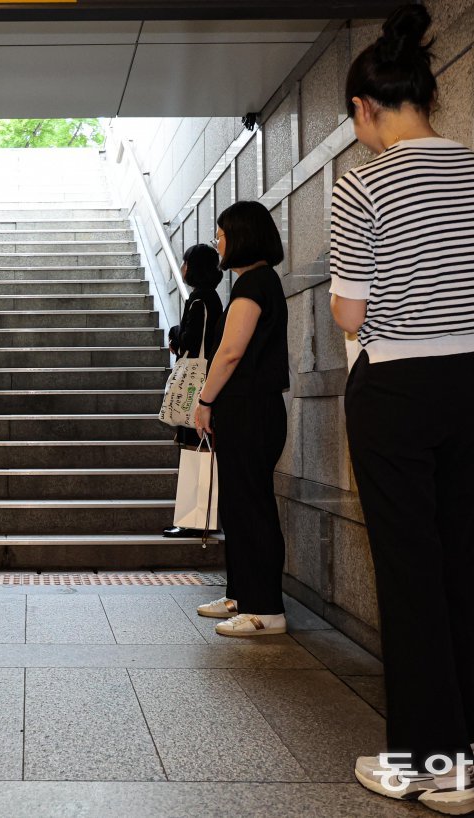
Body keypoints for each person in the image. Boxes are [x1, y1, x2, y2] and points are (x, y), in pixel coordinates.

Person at [329, 6, 474, 814]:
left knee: (406, 570)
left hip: (397, 388)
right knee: (454, 561)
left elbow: (348, 312)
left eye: (355, 119)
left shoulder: (362, 183)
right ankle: (461, 746)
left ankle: (430, 767)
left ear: (368, 108)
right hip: (473, 381)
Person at [191, 201, 290, 638]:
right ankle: (241, 595)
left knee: (251, 507)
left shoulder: (253, 285)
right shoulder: (257, 282)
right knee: (239, 505)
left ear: (242, 235)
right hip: (250, 410)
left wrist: (204, 400)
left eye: (222, 234)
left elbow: (230, 351)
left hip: (250, 409)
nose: (218, 242)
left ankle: (265, 609)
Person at [163, 243, 224, 538]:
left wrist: (175, 335)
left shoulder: (199, 300)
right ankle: (197, 519)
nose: (183, 267)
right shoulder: (212, 299)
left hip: (197, 387)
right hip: (208, 381)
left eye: (185, 262)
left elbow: (189, 341)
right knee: (200, 449)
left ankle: (193, 520)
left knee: (194, 449)